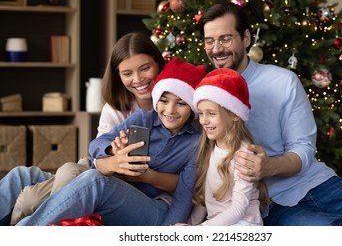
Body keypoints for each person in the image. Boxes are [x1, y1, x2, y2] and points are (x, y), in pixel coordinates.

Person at [198, 2, 342, 226]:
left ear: (247, 38)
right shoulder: (202, 94)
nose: (217, 48)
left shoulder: (282, 81)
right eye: (209, 41)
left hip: (316, 184)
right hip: (267, 204)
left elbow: (303, 147)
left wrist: (269, 166)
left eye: (226, 38)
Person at [1, 32, 177, 226]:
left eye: (145, 69)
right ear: (118, 76)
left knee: (36, 197)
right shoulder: (116, 108)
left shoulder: (176, 107)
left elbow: (189, 179)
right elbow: (98, 153)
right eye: (127, 73)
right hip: (102, 172)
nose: (138, 79)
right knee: (21, 176)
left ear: (158, 64)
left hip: (147, 197)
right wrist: (112, 156)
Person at [16, 57, 206, 226]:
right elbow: (96, 145)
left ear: (191, 106)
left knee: (92, 180)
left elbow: (184, 197)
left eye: (181, 103)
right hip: (117, 189)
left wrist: (165, 234)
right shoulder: (143, 119)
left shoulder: (194, 144)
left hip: (154, 207)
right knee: (22, 176)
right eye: (164, 101)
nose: (170, 110)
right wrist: (112, 151)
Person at [187, 68, 270, 226]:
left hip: (244, 224)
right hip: (218, 224)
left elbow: (238, 209)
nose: (203, 120)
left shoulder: (244, 155)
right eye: (201, 113)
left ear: (234, 114)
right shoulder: (209, 149)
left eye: (211, 113)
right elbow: (203, 202)